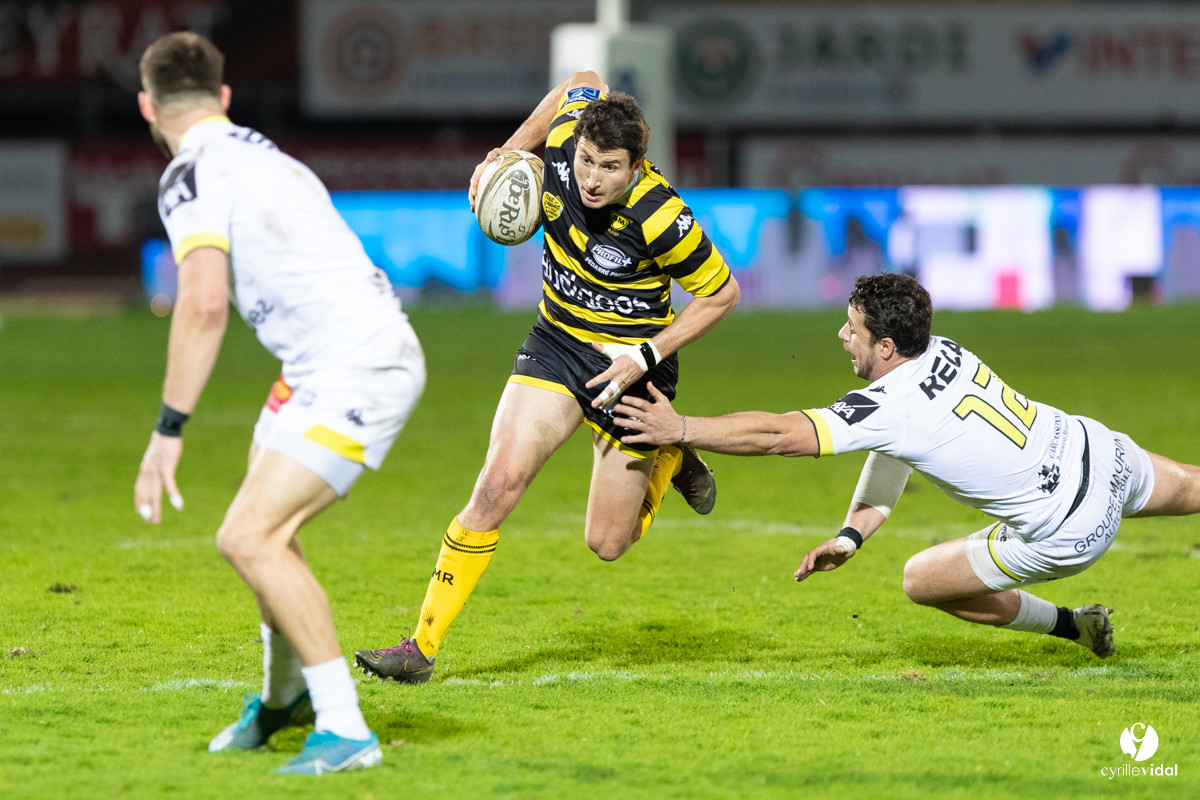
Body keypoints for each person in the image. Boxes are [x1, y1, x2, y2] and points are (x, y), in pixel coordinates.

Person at [354, 72, 740, 682]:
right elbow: (582, 82)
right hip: (556, 343)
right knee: (496, 483)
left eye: (609, 167)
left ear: (637, 166)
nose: (591, 178)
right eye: (586, 160)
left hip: (631, 370)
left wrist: (645, 356)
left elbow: (722, 295)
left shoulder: (663, 218)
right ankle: (420, 648)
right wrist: (508, 152)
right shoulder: (563, 143)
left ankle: (671, 449)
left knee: (607, 543)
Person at [614, 272, 1200, 658]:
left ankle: (1075, 625)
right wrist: (851, 533)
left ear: (886, 348)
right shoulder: (942, 347)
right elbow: (896, 448)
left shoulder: (890, 406)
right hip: (1101, 452)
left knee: (921, 580)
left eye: (853, 328)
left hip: (1068, 527)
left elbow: (779, 436)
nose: (842, 335)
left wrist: (681, 429)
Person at [132, 32, 425, 774]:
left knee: (248, 536)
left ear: (148, 106)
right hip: (319, 365)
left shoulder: (189, 174)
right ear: (224, 97)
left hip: (357, 365)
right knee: (266, 531)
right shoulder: (263, 152)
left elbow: (200, 305)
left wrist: (169, 430)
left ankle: (346, 726)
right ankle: (281, 700)